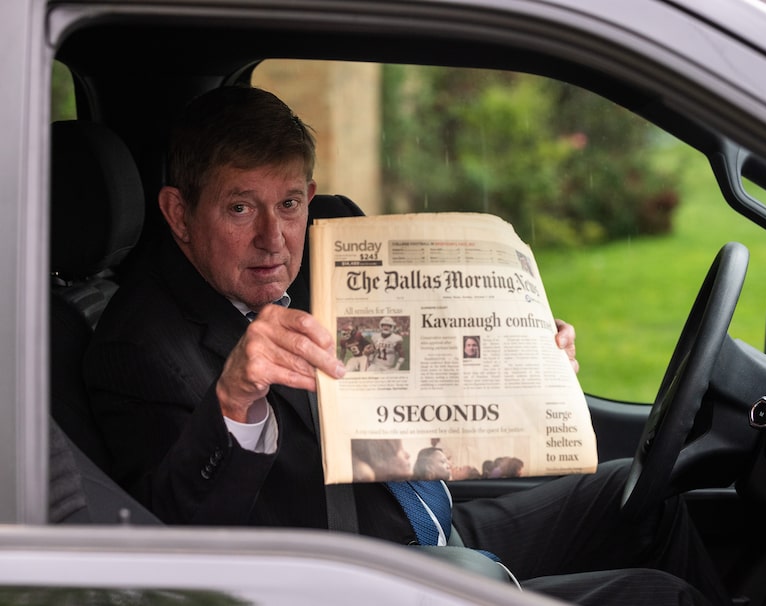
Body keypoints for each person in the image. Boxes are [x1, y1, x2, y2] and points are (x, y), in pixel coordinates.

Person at [84, 85, 730, 606]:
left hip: (430, 525)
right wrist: (234, 400)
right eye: (239, 210)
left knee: (646, 493)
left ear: (309, 197)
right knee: (658, 595)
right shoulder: (139, 348)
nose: (273, 240)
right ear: (177, 214)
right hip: (357, 581)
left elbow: (428, 375)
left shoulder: (333, 254)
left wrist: (530, 368)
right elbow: (172, 548)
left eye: (287, 204)